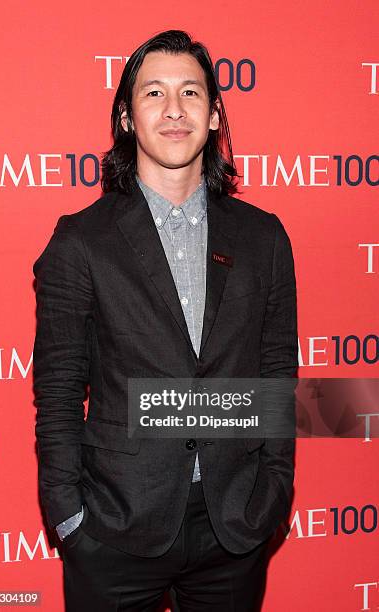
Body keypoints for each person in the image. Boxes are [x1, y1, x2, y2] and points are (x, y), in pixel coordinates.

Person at [33, 29, 298, 612]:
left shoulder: (264, 237)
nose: (173, 110)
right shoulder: (81, 242)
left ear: (215, 115)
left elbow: (277, 373)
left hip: (235, 526)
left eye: (190, 93)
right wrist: (69, 517)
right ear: (127, 117)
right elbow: (56, 389)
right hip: (114, 525)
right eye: (153, 94)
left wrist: (274, 492)